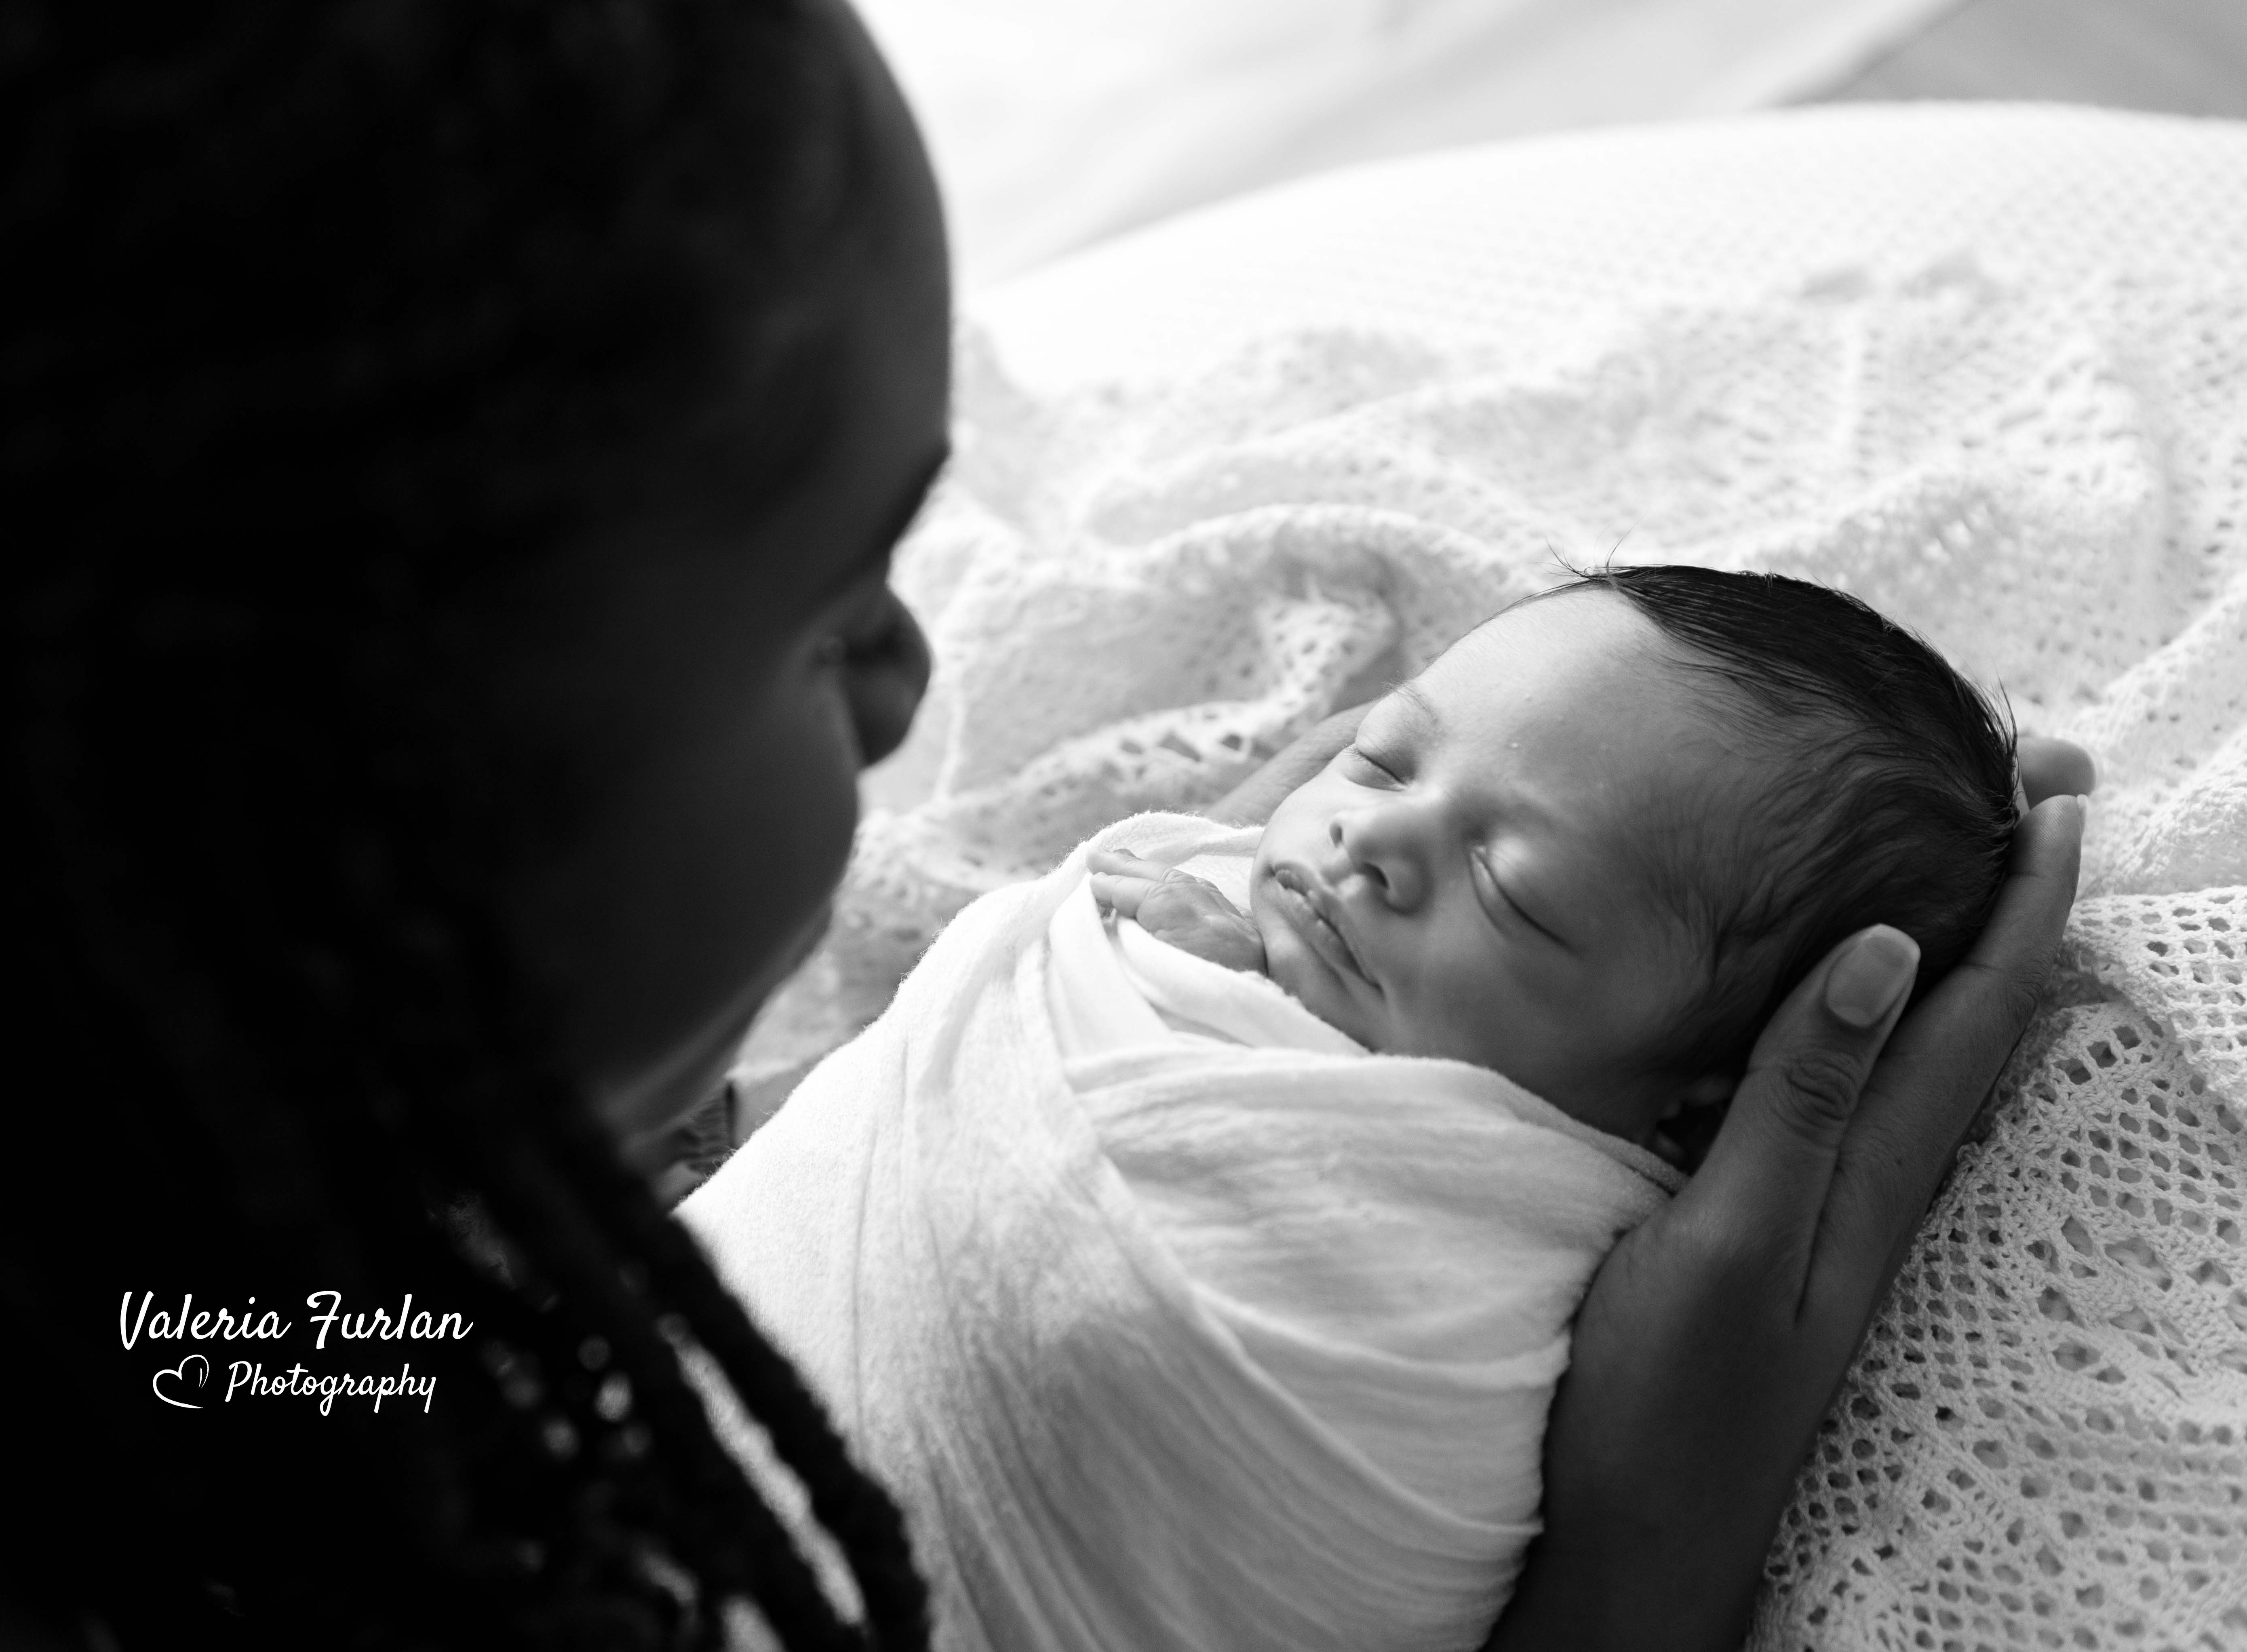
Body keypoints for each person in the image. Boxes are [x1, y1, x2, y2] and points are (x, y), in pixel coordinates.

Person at [0, 0, 2086, 1650]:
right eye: (836, 612)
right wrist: (1635, 1575)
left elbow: (225, 1366)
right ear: (312, 818)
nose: (914, 689)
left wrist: (635, 1245)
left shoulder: (16, 1304)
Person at [681, 565, 2039, 1650]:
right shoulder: (1197, 924)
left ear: (1686, 1114)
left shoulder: (1538, 1249)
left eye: (1513, 893)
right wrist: (1171, 980)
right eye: (1386, 759)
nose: (1371, 838)